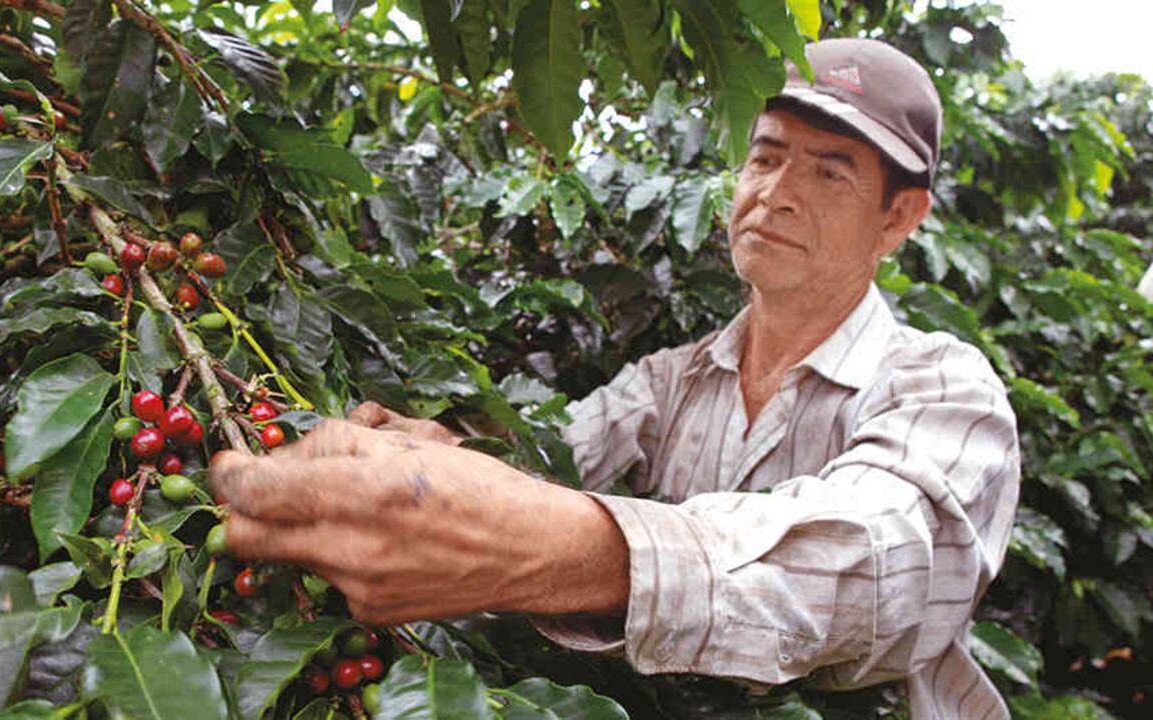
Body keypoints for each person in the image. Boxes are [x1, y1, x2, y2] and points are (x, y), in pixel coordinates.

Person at [210, 38, 1020, 720]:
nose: (777, 195)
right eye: (766, 157)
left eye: (830, 174)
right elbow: (548, 464)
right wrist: (441, 461)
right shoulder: (672, 381)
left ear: (898, 218)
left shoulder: (945, 390)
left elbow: (878, 567)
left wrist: (558, 550)